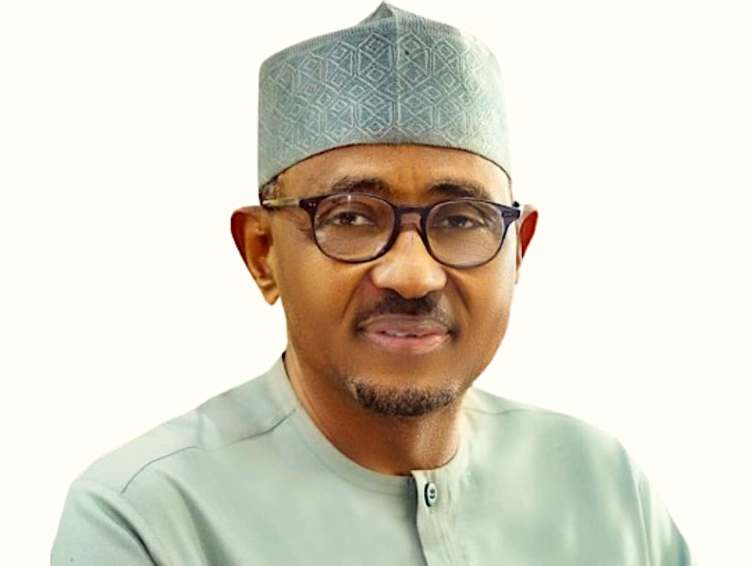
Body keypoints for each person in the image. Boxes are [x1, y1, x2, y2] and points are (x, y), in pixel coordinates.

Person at [51, 3, 693, 564]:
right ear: (263, 253)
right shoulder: (147, 517)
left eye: (461, 219)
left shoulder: (603, 485)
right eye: (351, 217)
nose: (413, 276)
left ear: (517, 250)